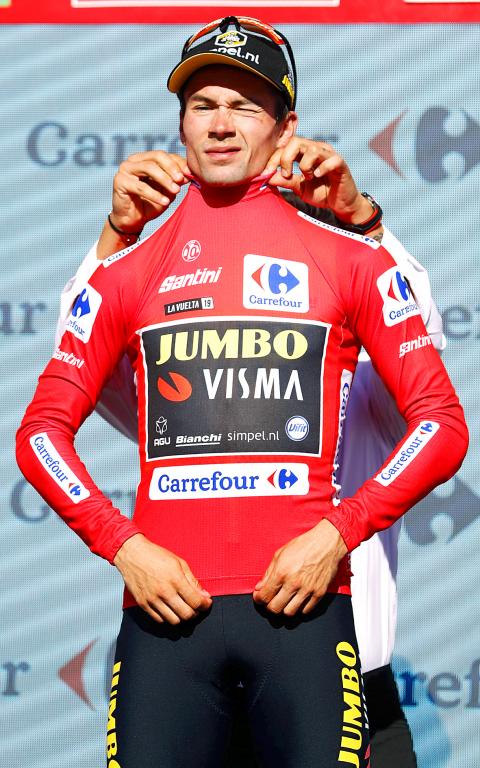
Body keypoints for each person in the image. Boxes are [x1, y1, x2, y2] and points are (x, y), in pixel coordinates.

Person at [16, 15, 468, 768]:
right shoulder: (127, 267)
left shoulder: (353, 257)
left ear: (286, 127)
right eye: (203, 105)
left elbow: (441, 422)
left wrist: (338, 533)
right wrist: (122, 545)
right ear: (181, 123)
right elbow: (40, 431)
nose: (221, 124)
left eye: (245, 106)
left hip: (307, 617)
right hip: (165, 621)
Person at [55, 153, 440, 768]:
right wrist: (117, 238)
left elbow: (422, 337)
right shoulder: (190, 388)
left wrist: (362, 220)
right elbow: (84, 358)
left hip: (342, 676)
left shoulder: (374, 388)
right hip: (197, 661)